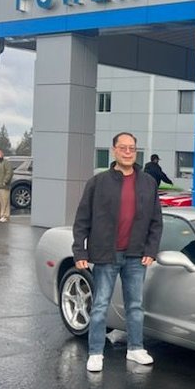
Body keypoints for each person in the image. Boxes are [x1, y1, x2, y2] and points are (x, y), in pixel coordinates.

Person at [72, 132, 163, 374]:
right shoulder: (98, 182)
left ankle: (135, 348)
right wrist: (79, 251)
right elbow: (82, 220)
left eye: (132, 148)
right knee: (100, 304)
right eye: (123, 148)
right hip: (106, 254)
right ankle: (95, 352)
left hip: (136, 255)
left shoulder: (148, 183)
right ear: (114, 150)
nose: (128, 152)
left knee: (135, 305)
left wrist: (151, 250)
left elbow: (156, 221)